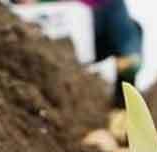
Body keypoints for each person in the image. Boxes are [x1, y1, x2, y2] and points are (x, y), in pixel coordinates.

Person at [12, 0, 143, 107]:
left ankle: (122, 104)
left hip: (84, 27)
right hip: (52, 25)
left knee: (133, 28)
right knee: (128, 30)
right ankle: (123, 103)